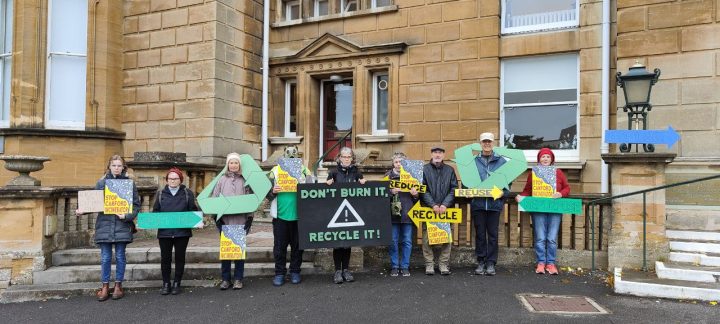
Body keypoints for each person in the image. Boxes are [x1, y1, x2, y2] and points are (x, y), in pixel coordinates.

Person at [92, 155, 140, 301]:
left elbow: (136, 206)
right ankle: (105, 286)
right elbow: (93, 202)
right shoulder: (101, 183)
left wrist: (126, 215)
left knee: (120, 256)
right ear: (109, 167)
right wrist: (82, 209)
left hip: (122, 225)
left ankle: (118, 286)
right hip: (105, 225)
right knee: (105, 257)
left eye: (119, 166)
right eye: (114, 166)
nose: (117, 168)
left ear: (123, 167)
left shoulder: (129, 184)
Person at [516, 147, 570, 275]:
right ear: (539, 159)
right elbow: (527, 190)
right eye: (543, 156)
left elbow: (567, 188)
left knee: (551, 238)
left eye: (548, 157)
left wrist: (560, 194)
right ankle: (541, 262)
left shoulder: (558, 173)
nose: (545, 159)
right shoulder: (533, 174)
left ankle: (550, 263)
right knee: (540, 237)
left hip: (554, 209)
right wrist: (521, 197)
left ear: (552, 160)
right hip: (538, 208)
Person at [268, 146, 313, 286]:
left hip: (299, 216)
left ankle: (295, 271)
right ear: (284, 155)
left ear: (298, 155)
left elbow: (312, 192)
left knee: (298, 247)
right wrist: (273, 191)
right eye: (289, 154)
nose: (291, 156)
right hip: (280, 216)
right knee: (279, 247)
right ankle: (279, 273)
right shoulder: (274, 171)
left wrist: (304, 185)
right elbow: (267, 194)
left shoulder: (305, 170)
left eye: (294, 154)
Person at [151, 167, 199, 295]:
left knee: (180, 258)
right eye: (170, 178)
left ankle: (177, 282)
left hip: (182, 232)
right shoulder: (161, 194)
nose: (172, 180)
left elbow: (193, 211)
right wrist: (146, 223)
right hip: (165, 232)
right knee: (165, 258)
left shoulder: (188, 193)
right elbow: (155, 212)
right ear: (166, 180)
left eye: (175, 178)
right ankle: (166, 283)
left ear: (180, 180)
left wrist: (198, 221)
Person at [212, 152, 254, 290]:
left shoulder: (245, 180)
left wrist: (249, 218)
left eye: (236, 163)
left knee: (239, 253)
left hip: (240, 221)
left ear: (239, 165)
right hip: (225, 221)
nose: (234, 165)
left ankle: (238, 279)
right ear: (228, 165)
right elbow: (215, 198)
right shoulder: (221, 180)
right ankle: (225, 279)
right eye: (231, 163)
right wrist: (217, 219)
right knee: (226, 252)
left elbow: (250, 200)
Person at [471, 133, 510, 276]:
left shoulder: (502, 162)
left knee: (493, 235)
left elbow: (508, 183)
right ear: (480, 144)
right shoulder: (473, 162)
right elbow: (466, 183)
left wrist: (502, 193)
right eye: (484, 141)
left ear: (493, 143)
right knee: (480, 234)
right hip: (478, 204)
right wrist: (471, 191)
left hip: (494, 205)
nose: (487, 144)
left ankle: (491, 263)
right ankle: (481, 261)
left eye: (489, 141)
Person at [326, 147, 366, 284]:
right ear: (340, 158)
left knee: (347, 242)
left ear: (352, 158)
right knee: (338, 243)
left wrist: (363, 184)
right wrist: (327, 185)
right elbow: (325, 192)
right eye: (344, 156)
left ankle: (346, 270)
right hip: (337, 211)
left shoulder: (357, 173)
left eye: (349, 156)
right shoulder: (333, 173)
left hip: (351, 211)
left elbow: (364, 191)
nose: (347, 158)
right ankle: (337, 271)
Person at [420, 146, 458, 276]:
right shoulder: (424, 169)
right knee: (426, 238)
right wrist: (433, 205)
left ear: (443, 155)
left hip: (446, 210)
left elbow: (454, 189)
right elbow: (422, 189)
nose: (437, 155)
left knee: (446, 238)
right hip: (429, 209)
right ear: (431, 154)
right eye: (435, 152)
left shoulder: (450, 170)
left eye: (440, 152)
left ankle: (443, 264)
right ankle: (429, 264)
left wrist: (445, 205)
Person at [385, 153, 418, 277]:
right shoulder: (388, 177)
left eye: (401, 162)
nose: (399, 164)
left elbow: (417, 198)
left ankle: (405, 266)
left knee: (407, 241)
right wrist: (390, 192)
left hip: (407, 213)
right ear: (393, 163)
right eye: (397, 162)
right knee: (393, 241)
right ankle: (394, 266)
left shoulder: (412, 176)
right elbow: (381, 195)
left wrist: (415, 194)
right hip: (392, 214)